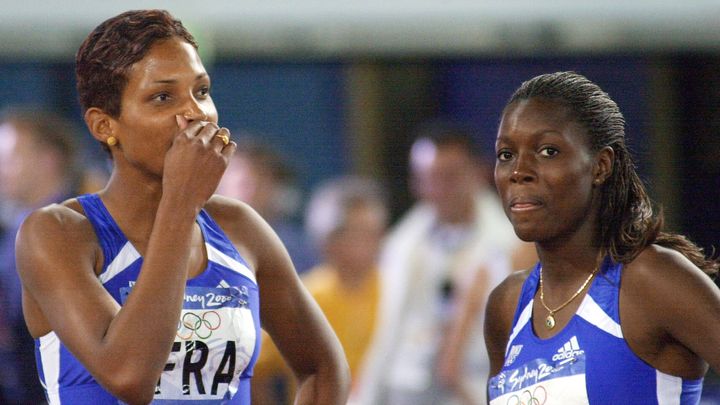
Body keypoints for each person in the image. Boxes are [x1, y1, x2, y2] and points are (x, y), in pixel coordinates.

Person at [14, 9, 349, 405]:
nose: (194, 113)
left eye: (202, 91)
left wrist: (183, 204)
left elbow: (323, 368)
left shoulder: (239, 227)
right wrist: (180, 203)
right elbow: (129, 376)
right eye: (162, 97)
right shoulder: (57, 233)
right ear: (105, 126)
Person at [485, 71, 720, 404]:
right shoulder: (507, 306)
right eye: (505, 154)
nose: (519, 171)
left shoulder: (649, 279)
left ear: (601, 166)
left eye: (548, 151)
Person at [353, 123, 529, 405]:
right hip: (408, 389)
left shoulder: (516, 244)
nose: (439, 189)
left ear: (479, 172)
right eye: (428, 178)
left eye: (450, 177)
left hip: (476, 386)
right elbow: (385, 331)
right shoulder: (401, 245)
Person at [252, 175, 388, 404]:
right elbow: (252, 365)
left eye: (374, 231)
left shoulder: (394, 289)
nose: (373, 242)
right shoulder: (303, 298)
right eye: (358, 232)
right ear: (329, 240)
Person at [0, 107, 83, 404]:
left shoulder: (75, 227)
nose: (1, 170)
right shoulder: (18, 223)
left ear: (48, 160)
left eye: (10, 159)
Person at [215, 137, 319, 274]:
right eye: (243, 184)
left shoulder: (300, 249)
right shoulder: (200, 240)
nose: (251, 191)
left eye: (260, 181)